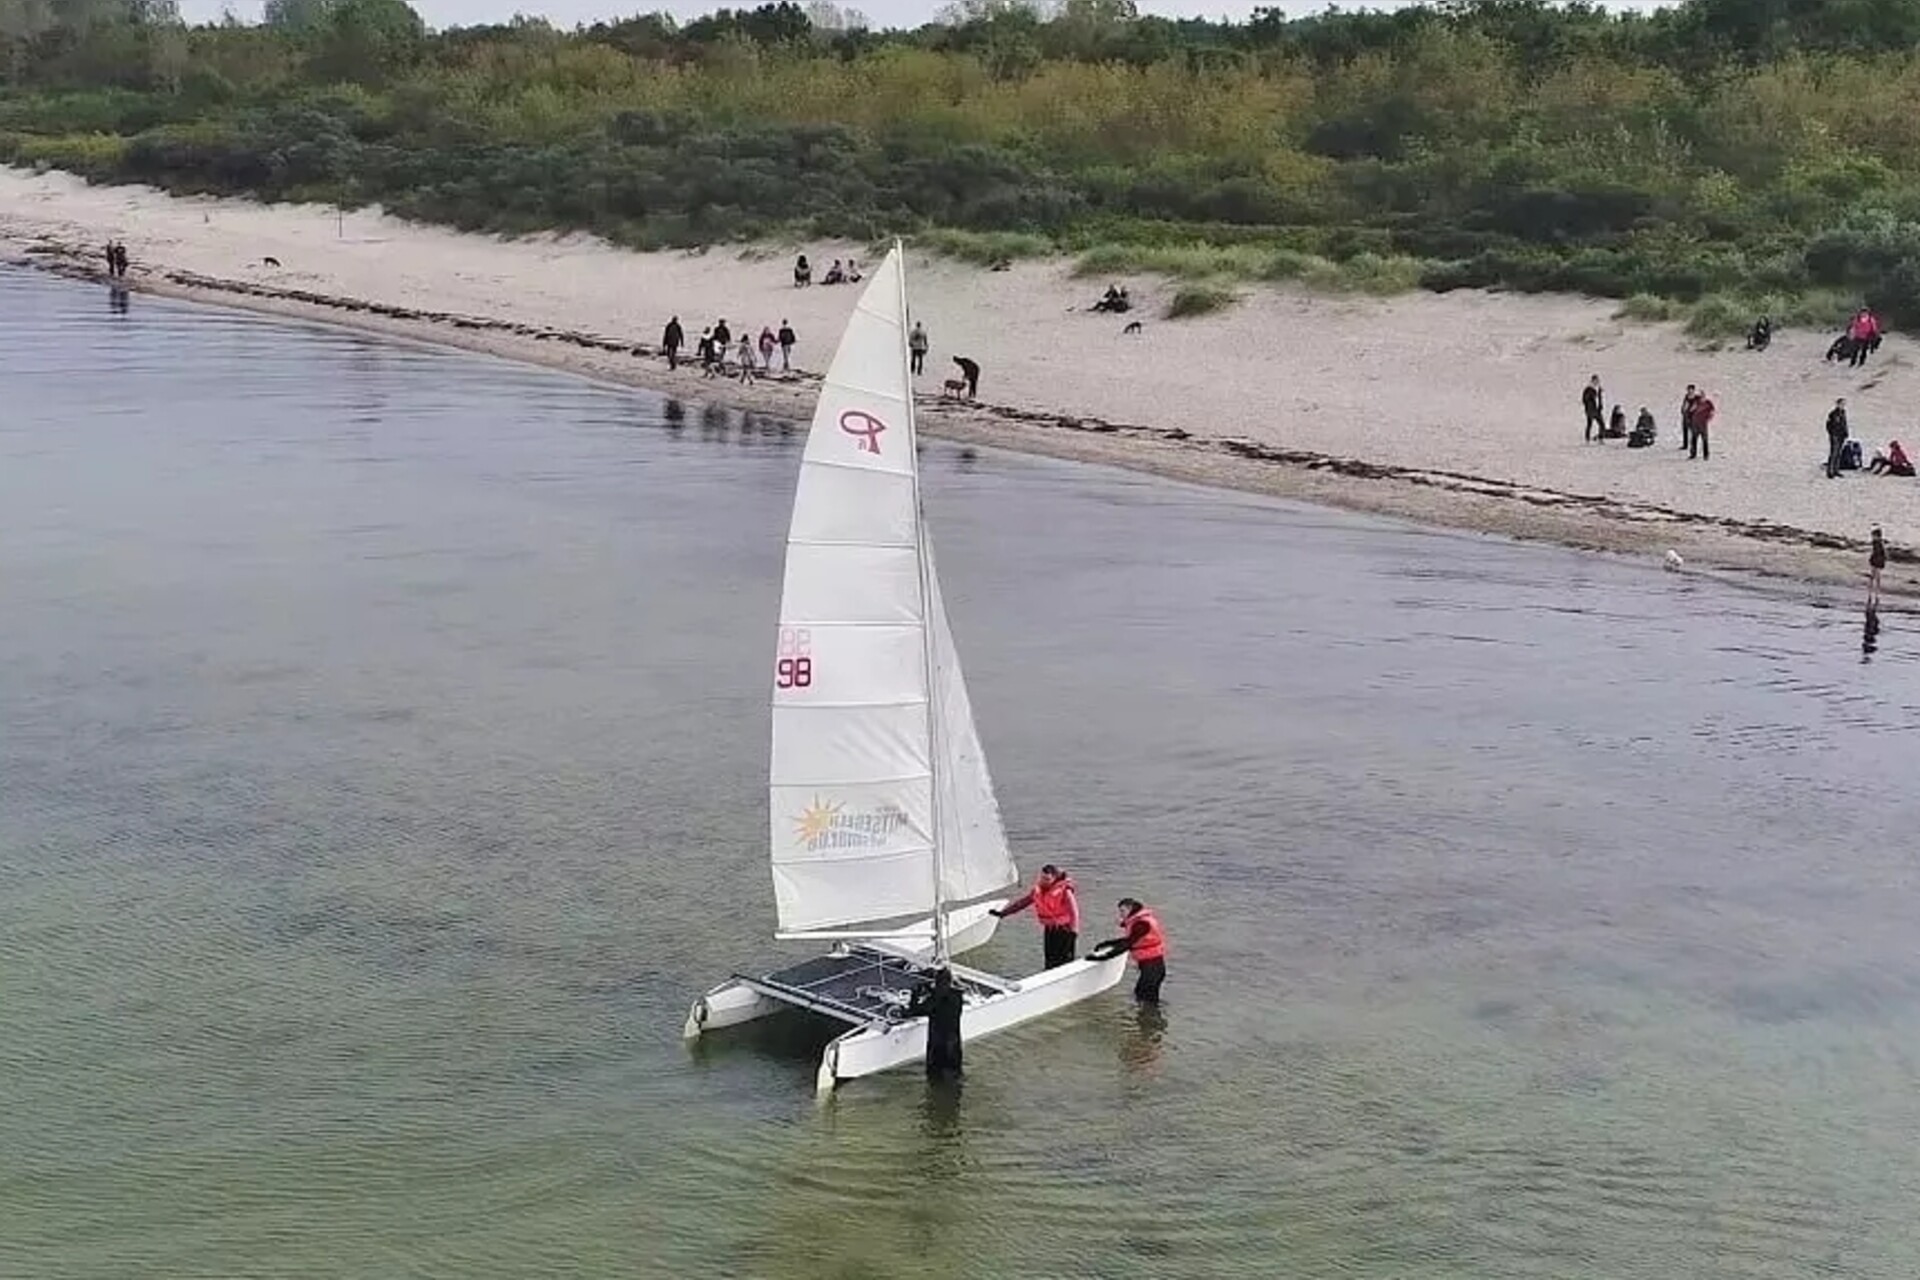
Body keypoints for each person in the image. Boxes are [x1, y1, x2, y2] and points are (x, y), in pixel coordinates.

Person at [991, 863, 1079, 969]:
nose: (1044, 881)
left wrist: (1074, 932)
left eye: (1047, 879)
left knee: (1065, 960)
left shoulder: (1065, 891)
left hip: (1065, 931)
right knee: (1050, 960)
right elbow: (1022, 903)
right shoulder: (1038, 891)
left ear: (1055, 879)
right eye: (1042, 878)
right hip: (1050, 930)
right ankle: (1048, 978)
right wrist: (1003, 913)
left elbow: (1074, 913)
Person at [1089, 898, 1166, 1003]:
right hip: (1152, 966)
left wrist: (1102, 957)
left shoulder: (1142, 924)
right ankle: (1148, 1017)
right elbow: (1128, 941)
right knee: (1143, 996)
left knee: (1143, 996)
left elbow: (1127, 945)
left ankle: (1148, 1017)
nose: (1121, 915)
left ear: (1130, 909)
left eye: (1122, 911)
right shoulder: (1140, 921)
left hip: (1153, 967)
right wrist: (1107, 943)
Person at [905, 966, 964, 1080]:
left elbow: (915, 1010)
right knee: (954, 1076)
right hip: (954, 1046)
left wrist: (915, 995)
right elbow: (943, 993)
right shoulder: (957, 997)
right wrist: (929, 989)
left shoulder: (935, 1002)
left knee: (935, 1077)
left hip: (938, 1048)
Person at [1826, 398, 1850, 479]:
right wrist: (1832, 434)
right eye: (1841, 404)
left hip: (1841, 435)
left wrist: (1846, 433)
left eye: (1844, 404)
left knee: (1839, 453)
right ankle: (1830, 471)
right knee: (1833, 453)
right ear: (1837, 404)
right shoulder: (1833, 414)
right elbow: (1828, 425)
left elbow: (1844, 424)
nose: (1843, 406)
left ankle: (1836, 470)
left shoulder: (1843, 412)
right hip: (1835, 435)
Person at [1689, 389, 1714, 460]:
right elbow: (1691, 410)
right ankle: (1693, 454)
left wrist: (1709, 418)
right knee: (1694, 439)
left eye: (1702, 395)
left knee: (1704, 439)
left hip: (1703, 424)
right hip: (1695, 423)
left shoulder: (1708, 403)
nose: (1701, 397)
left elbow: (1712, 411)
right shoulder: (1696, 402)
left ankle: (1706, 455)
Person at [1581, 375, 1605, 442]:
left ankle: (1601, 438)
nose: (1597, 382)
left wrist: (1600, 406)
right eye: (1595, 380)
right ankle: (1587, 438)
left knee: (1602, 424)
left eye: (1597, 380)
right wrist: (1589, 408)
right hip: (1591, 410)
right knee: (1590, 424)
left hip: (1597, 410)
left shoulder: (1598, 389)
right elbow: (1585, 400)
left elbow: (1599, 399)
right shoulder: (1588, 389)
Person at [1679, 384, 1701, 452]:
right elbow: (1684, 404)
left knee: (1693, 432)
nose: (1690, 391)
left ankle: (1693, 446)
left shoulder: (1697, 397)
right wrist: (1683, 410)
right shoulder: (1686, 396)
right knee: (1685, 430)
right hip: (1686, 416)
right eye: (1689, 389)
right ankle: (1685, 444)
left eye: (1691, 389)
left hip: (1692, 417)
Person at [1869, 526, 1887, 606]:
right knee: (1873, 577)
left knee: (1876, 577)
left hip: (1878, 561)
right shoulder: (1876, 543)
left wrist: (1882, 561)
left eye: (1874, 536)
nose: (1873, 537)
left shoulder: (1879, 543)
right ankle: (1872, 592)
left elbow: (1881, 553)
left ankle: (1875, 592)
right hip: (1876, 561)